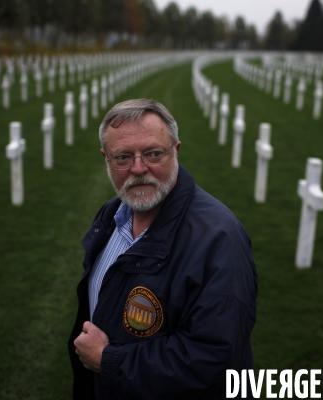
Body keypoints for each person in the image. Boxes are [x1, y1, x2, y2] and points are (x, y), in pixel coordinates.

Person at [68, 98, 257, 399]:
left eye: (154, 154)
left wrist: (108, 360)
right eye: (123, 157)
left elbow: (217, 363)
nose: (139, 168)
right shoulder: (111, 216)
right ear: (107, 159)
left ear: (176, 151)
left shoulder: (219, 240)